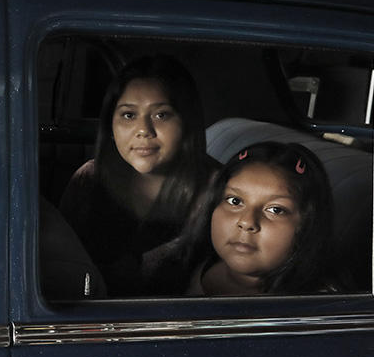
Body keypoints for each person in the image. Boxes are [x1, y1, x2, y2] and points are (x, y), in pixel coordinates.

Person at [59, 54, 216, 294]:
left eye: (161, 114)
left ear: (187, 123)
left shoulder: (219, 190)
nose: (143, 130)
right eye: (129, 115)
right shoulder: (89, 180)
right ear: (110, 125)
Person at [145, 141, 336, 296]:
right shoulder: (172, 261)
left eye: (276, 210)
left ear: (307, 224)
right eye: (235, 201)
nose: (246, 222)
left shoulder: (321, 307)